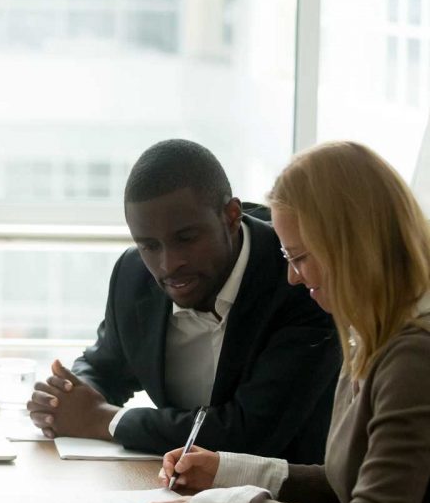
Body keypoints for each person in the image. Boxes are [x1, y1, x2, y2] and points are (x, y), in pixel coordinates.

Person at [124, 141, 430, 503]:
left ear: (351, 244)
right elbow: (350, 483)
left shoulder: (414, 355)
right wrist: (227, 470)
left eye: (301, 257)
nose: (291, 277)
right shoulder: (374, 333)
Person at [27, 139, 340, 462]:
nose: (168, 264)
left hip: (289, 499)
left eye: (186, 239)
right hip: (172, 486)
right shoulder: (133, 275)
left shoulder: (299, 278)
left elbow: (250, 434)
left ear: (231, 216)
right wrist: (65, 400)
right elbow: (104, 367)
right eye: (149, 245)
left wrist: (103, 419)